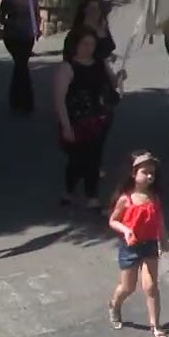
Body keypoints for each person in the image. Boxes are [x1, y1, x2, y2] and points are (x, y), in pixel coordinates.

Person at [106, 151, 169, 337]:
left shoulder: (154, 197)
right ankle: (114, 305)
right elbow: (113, 221)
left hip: (149, 244)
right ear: (133, 174)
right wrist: (125, 230)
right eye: (145, 172)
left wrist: (164, 239)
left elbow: (159, 220)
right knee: (128, 287)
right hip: (130, 247)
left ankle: (155, 326)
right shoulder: (126, 199)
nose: (150, 176)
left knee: (151, 287)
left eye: (152, 172)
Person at [53, 27, 120, 209]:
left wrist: (119, 78)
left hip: (99, 118)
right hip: (76, 122)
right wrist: (66, 126)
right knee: (77, 160)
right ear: (75, 45)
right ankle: (69, 189)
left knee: (94, 157)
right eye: (84, 44)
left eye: (92, 44)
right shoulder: (67, 68)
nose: (88, 48)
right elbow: (59, 99)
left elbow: (112, 83)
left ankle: (92, 197)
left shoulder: (100, 63)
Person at [0, 0, 36, 114]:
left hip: (27, 36)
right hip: (12, 36)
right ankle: (25, 101)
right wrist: (11, 22)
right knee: (21, 66)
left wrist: (36, 29)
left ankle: (17, 100)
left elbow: (36, 13)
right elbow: (1, 18)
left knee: (21, 66)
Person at [72, 0, 117, 65]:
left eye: (97, 9)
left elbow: (110, 47)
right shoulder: (79, 33)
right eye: (92, 9)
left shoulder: (102, 28)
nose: (95, 12)